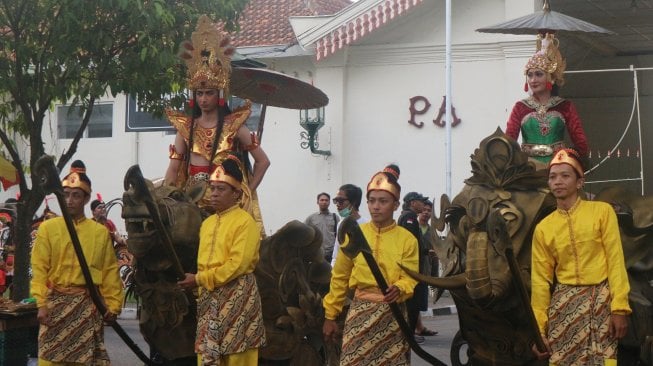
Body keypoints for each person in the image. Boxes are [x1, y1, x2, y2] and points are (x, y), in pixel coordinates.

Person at [164, 15, 270, 233]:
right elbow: (173, 170)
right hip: (192, 202)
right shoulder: (185, 127)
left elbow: (263, 162)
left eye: (209, 93)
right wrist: (166, 197)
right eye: (199, 93)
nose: (203, 99)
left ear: (220, 94)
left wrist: (246, 192)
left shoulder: (235, 126)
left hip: (228, 202)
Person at [531, 149, 631, 365]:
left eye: (565, 175)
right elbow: (540, 283)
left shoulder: (602, 212)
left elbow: (615, 262)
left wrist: (620, 308)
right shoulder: (543, 228)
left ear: (579, 182)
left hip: (601, 302)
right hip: (563, 306)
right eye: (553, 177)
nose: (558, 181)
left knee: (605, 361)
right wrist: (538, 330)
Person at [323, 164, 418, 365]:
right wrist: (330, 315)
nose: (376, 206)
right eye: (372, 201)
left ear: (395, 205)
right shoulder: (355, 234)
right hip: (359, 312)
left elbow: (410, 277)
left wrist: (400, 288)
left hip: (392, 315)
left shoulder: (407, 239)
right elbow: (340, 276)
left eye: (383, 201)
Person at [30, 160, 124, 365]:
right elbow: (39, 269)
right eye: (65, 195)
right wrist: (41, 303)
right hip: (55, 306)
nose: (70, 200)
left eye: (76, 195)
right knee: (50, 358)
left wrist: (113, 305)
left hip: (87, 305)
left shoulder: (100, 233)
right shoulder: (48, 228)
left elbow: (109, 272)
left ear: (86, 198)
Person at [177, 156, 266, 365]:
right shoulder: (207, 223)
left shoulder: (246, 222)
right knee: (207, 353)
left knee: (236, 353)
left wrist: (199, 280)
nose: (214, 194)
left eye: (221, 189)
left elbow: (238, 264)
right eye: (212, 188)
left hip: (237, 294)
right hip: (209, 295)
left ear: (236, 193)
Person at [506, 33, 588, 165]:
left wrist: (574, 162)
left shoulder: (565, 106)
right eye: (530, 75)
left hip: (557, 166)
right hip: (527, 170)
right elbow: (509, 141)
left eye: (539, 74)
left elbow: (580, 142)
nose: (533, 80)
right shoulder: (520, 107)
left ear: (551, 77)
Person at [398, 192, 435, 343]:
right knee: (413, 304)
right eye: (421, 202)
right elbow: (410, 245)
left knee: (413, 304)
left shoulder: (407, 216)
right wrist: (424, 252)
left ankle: (410, 332)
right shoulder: (409, 217)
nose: (423, 205)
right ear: (413, 203)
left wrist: (426, 251)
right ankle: (409, 335)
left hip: (412, 266)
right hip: (412, 269)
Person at [330, 184, 367, 268]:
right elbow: (336, 254)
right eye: (336, 200)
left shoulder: (366, 225)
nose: (337, 204)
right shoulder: (341, 224)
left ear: (353, 202)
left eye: (341, 200)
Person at [305, 192, 339, 262]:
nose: (324, 202)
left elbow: (339, 235)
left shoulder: (335, 217)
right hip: (316, 253)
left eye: (326, 200)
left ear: (329, 202)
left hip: (331, 254)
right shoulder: (311, 218)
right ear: (317, 202)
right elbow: (304, 233)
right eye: (322, 200)